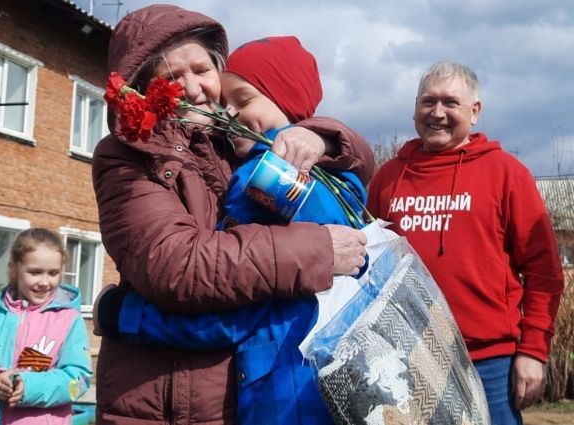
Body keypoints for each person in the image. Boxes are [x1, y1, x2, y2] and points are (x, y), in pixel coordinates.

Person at [92, 4, 374, 424]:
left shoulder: (237, 146)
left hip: (245, 391)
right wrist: (317, 250)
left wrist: (320, 135)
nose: (192, 88)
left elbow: (360, 164)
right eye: (171, 77)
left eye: (202, 71)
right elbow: (178, 267)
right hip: (165, 403)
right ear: (139, 89)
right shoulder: (125, 157)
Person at [366, 61, 564, 424]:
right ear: (414, 109)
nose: (437, 113)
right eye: (428, 101)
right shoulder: (388, 177)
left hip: (490, 362)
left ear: (475, 111)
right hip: (408, 359)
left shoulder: (506, 173)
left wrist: (533, 352)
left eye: (450, 103)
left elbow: (545, 272)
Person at [0, 228, 92, 425]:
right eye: (35, 272)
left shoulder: (69, 321)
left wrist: (30, 386)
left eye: (53, 273)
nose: (45, 282)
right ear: (14, 268)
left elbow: (78, 379)